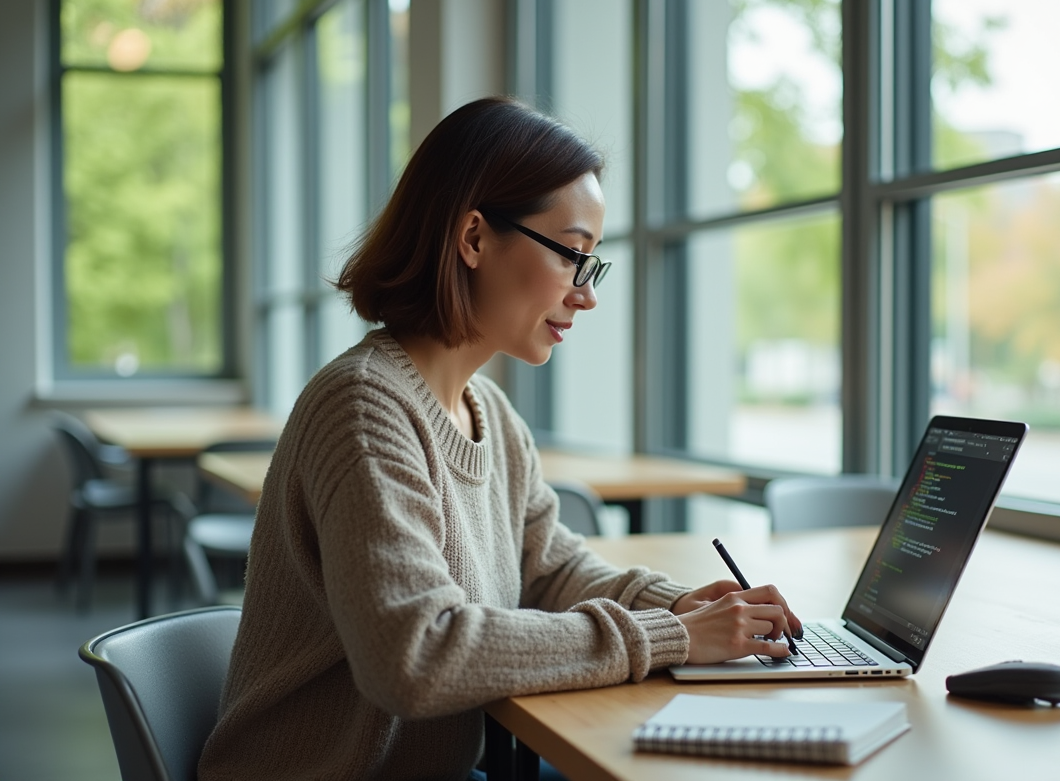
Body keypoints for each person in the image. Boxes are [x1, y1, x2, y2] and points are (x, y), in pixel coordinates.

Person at [198, 97, 802, 780]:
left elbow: (552, 572)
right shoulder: (364, 407)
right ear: (475, 239)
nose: (586, 294)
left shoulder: (488, 410)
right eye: (573, 256)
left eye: (592, 264)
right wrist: (669, 638)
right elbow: (417, 657)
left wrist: (682, 606)